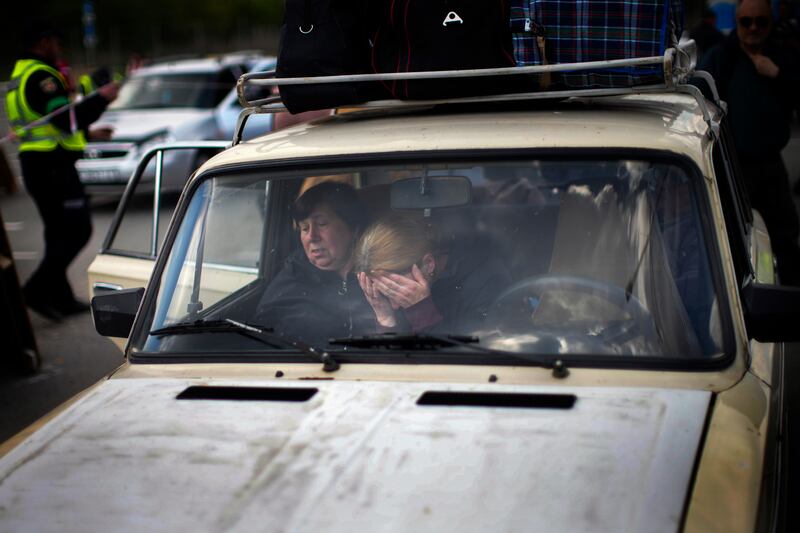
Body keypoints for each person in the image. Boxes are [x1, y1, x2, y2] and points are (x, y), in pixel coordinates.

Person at [5, 22, 118, 319]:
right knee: (78, 230)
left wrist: (91, 135)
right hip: (52, 168)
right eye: (57, 42)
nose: (60, 48)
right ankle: (35, 290)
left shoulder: (19, 74)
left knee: (57, 234)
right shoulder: (42, 76)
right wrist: (101, 100)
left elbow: (47, 126)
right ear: (43, 42)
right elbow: (65, 121)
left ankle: (61, 296)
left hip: (40, 164)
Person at [699, 0, 800, 285]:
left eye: (760, 22)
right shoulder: (721, 56)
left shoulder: (782, 55)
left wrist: (777, 74)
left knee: (785, 236)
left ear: (771, 23)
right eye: (746, 22)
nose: (753, 28)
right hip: (733, 167)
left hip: (771, 164)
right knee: (730, 237)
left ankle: (789, 307)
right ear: (737, 22)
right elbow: (697, 97)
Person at [254, 181, 374, 342]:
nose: (312, 237)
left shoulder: (381, 273)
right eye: (304, 228)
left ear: (354, 228)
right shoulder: (288, 288)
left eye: (321, 224)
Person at [353, 216, 510, 335]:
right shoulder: (390, 302)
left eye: (395, 289)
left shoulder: (487, 281)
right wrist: (386, 319)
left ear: (429, 264)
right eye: (384, 293)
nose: (394, 305)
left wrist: (422, 313)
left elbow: (468, 365)